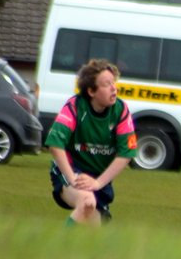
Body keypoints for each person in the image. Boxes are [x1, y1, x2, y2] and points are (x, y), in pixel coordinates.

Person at [45, 58, 137, 226]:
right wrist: (73, 179)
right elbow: (55, 144)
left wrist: (98, 183)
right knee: (87, 201)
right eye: (106, 84)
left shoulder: (121, 110)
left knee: (96, 232)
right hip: (70, 171)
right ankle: (59, 242)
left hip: (98, 178)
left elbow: (126, 153)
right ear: (91, 91)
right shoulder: (75, 106)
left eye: (113, 83)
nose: (113, 88)